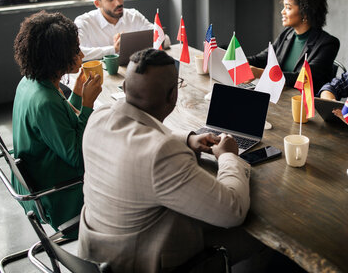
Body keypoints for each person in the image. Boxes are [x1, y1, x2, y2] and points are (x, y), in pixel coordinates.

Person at [78, 48, 267, 272]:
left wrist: (188, 139)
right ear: (172, 96)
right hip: (138, 262)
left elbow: (140, 135)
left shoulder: (100, 116)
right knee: (261, 238)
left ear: (126, 87)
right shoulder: (161, 154)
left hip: (95, 251)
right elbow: (233, 212)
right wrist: (228, 156)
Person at [12, 11, 102, 233]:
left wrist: (78, 93)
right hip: (60, 196)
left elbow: (61, 124)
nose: (81, 54)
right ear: (57, 57)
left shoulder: (30, 83)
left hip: (41, 177)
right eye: (75, 50)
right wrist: (89, 104)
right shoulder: (45, 102)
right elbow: (79, 159)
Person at [247, 0, 340, 91]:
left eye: (288, 8)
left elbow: (303, 79)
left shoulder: (328, 43)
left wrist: (260, 73)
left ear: (305, 13)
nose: (282, 12)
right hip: (280, 95)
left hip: (303, 104)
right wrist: (234, 60)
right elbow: (261, 59)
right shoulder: (287, 34)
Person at [74, 0, 154, 60]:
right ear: (98, 4)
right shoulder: (84, 22)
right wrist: (114, 49)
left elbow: (164, 39)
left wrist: (131, 41)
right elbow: (75, 53)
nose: (118, 3)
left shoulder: (133, 16)